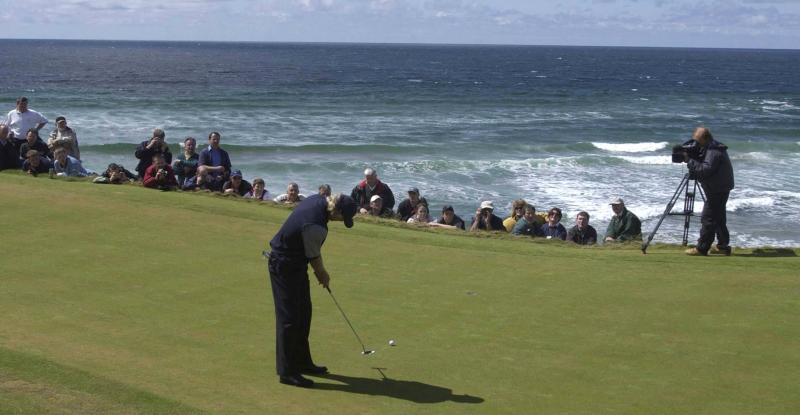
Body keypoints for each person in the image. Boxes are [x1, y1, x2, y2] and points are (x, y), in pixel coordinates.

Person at [267, 193, 358, 388]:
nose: (341, 221)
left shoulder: (318, 199)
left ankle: (301, 362)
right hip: (283, 265)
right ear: (338, 211)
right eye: (344, 218)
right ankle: (287, 372)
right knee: (289, 319)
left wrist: (318, 272)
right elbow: (314, 257)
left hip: (295, 264)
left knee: (303, 313)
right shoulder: (315, 226)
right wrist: (323, 274)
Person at [683, 127, 735, 256]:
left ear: (705, 138)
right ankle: (722, 246)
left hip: (717, 188)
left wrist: (690, 160)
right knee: (718, 217)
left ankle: (702, 248)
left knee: (708, 218)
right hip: (720, 186)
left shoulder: (713, 151)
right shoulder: (711, 147)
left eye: (698, 140)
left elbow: (705, 170)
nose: (696, 143)